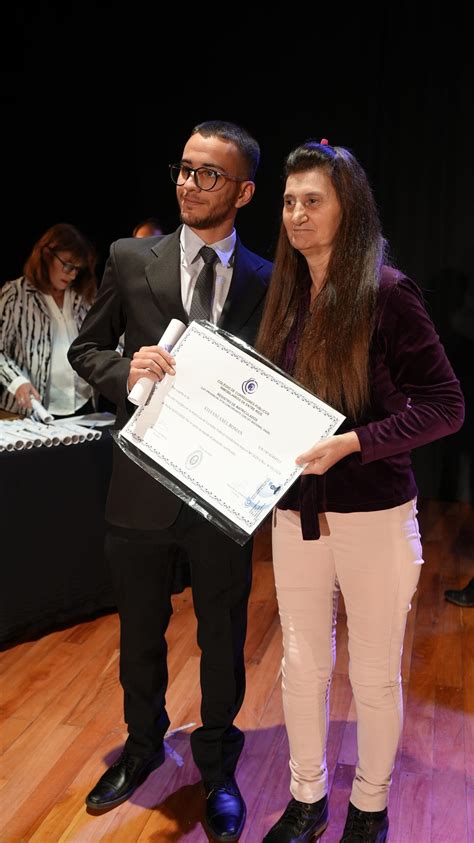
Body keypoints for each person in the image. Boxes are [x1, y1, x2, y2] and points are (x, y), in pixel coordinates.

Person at [256, 140, 465, 843]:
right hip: (297, 515)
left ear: (349, 209)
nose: (296, 213)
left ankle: (369, 805)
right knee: (301, 663)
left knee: (374, 672)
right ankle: (306, 796)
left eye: (313, 200)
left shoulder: (388, 292)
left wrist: (354, 442)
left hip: (374, 512)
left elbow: (446, 404)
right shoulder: (285, 295)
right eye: (289, 201)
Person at [68, 120, 272, 840]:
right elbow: (86, 349)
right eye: (184, 170)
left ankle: (217, 764)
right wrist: (127, 372)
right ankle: (144, 746)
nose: (189, 184)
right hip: (141, 485)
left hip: (224, 492)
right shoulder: (130, 258)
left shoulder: (267, 279)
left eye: (208, 174)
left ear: (244, 190)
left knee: (222, 635)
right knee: (141, 633)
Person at [0, 223, 97, 418]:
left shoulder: (83, 295)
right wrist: (17, 382)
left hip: (83, 408)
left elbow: (101, 340)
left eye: (77, 269)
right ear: (46, 255)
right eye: (68, 265)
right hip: (30, 410)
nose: (72, 274)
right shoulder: (15, 295)